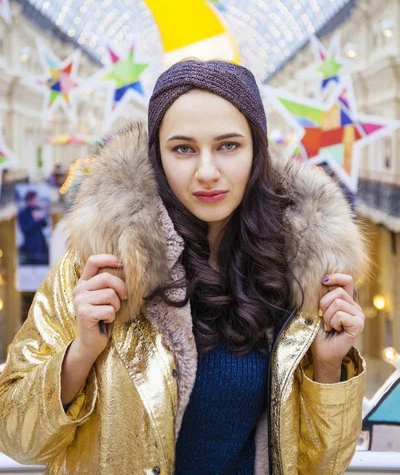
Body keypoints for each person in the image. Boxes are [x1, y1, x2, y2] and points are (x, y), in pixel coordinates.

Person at [0, 60, 367, 475]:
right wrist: (82, 351)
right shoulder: (97, 269)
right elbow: (17, 439)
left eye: (228, 145)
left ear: (257, 151)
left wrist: (328, 366)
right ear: (157, 155)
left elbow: (322, 465)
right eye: (183, 149)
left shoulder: (299, 275)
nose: (206, 172)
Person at [17, 190, 49, 265]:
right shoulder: (22, 213)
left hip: (41, 244)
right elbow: (25, 230)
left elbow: (45, 224)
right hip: (31, 246)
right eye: (35, 199)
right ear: (29, 200)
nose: (37, 201)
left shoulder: (38, 209)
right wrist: (34, 220)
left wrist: (41, 218)